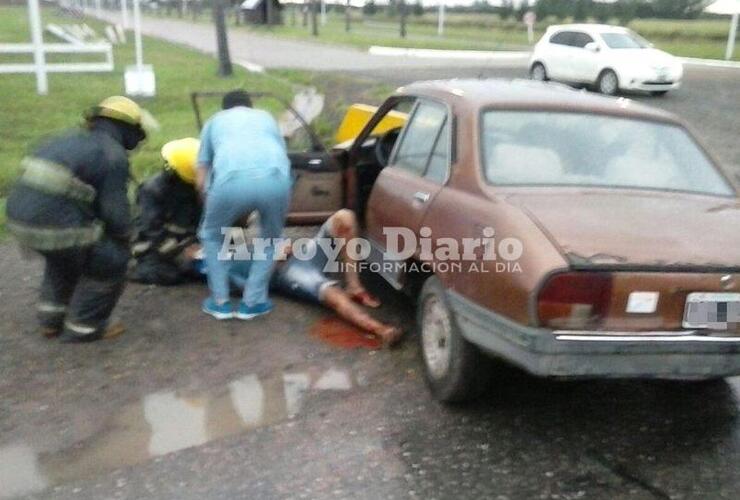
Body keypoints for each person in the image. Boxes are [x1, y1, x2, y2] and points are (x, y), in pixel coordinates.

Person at [6, 96, 150, 342]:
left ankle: (50, 321)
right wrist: (128, 241)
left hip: (17, 220)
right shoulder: (112, 154)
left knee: (65, 258)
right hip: (55, 227)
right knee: (111, 261)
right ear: (128, 128)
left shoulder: (67, 140)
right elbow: (116, 216)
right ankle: (85, 325)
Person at [227, 209, 404, 347]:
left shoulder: (256, 216)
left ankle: (354, 286)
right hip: (288, 273)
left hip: (304, 251)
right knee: (331, 294)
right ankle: (381, 330)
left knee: (344, 218)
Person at [197, 90, 291, 321]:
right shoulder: (266, 117)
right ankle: (253, 303)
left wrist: (210, 208)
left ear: (224, 108)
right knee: (269, 240)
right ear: (250, 106)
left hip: (231, 180)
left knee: (211, 236)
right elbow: (281, 154)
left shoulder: (214, 121)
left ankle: (220, 303)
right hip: (276, 179)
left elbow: (201, 176)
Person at [129, 138, 203, 286]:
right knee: (166, 275)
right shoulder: (151, 191)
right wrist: (183, 253)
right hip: (155, 247)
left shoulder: (196, 188)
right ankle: (132, 268)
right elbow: (151, 230)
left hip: (189, 244)